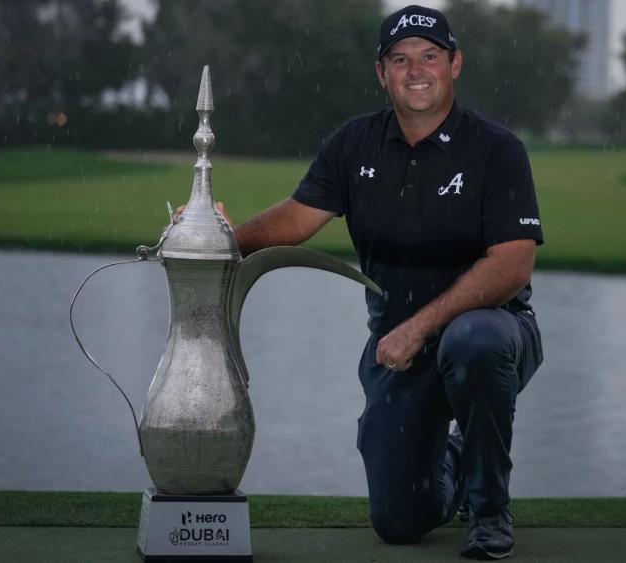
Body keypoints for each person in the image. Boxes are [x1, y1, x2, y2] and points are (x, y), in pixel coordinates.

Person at [185, 5, 544, 559]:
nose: (416, 70)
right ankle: (455, 458)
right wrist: (220, 237)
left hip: (495, 334)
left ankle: (489, 509)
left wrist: (421, 326)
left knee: (473, 341)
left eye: (430, 56)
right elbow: (297, 218)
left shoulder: (497, 150)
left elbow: (511, 266)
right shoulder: (355, 144)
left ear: (455, 65)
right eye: (400, 60)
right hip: (399, 351)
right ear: (382, 73)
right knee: (399, 522)